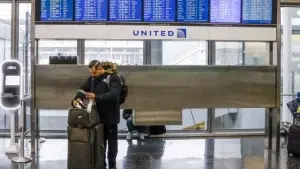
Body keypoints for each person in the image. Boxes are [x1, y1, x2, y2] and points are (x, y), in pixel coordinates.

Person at [72, 60, 122, 169]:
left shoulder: (113, 78)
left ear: (100, 68)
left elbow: (114, 95)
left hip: (111, 117)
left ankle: (112, 165)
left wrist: (97, 97)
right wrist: (77, 98)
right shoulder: (92, 79)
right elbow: (82, 88)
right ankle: (101, 163)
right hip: (97, 118)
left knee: (112, 144)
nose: (92, 75)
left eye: (94, 72)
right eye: (90, 73)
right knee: (100, 142)